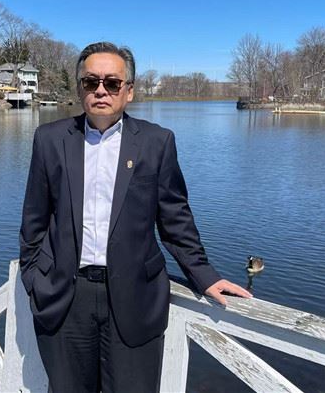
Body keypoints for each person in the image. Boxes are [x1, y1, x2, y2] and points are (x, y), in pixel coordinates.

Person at [19, 41, 252, 393]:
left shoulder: (156, 142)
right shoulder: (50, 139)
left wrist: (204, 275)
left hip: (134, 298)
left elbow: (175, 219)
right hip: (65, 298)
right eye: (91, 82)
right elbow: (34, 219)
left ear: (129, 91)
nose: (101, 90)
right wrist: (33, 279)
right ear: (80, 88)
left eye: (112, 83)